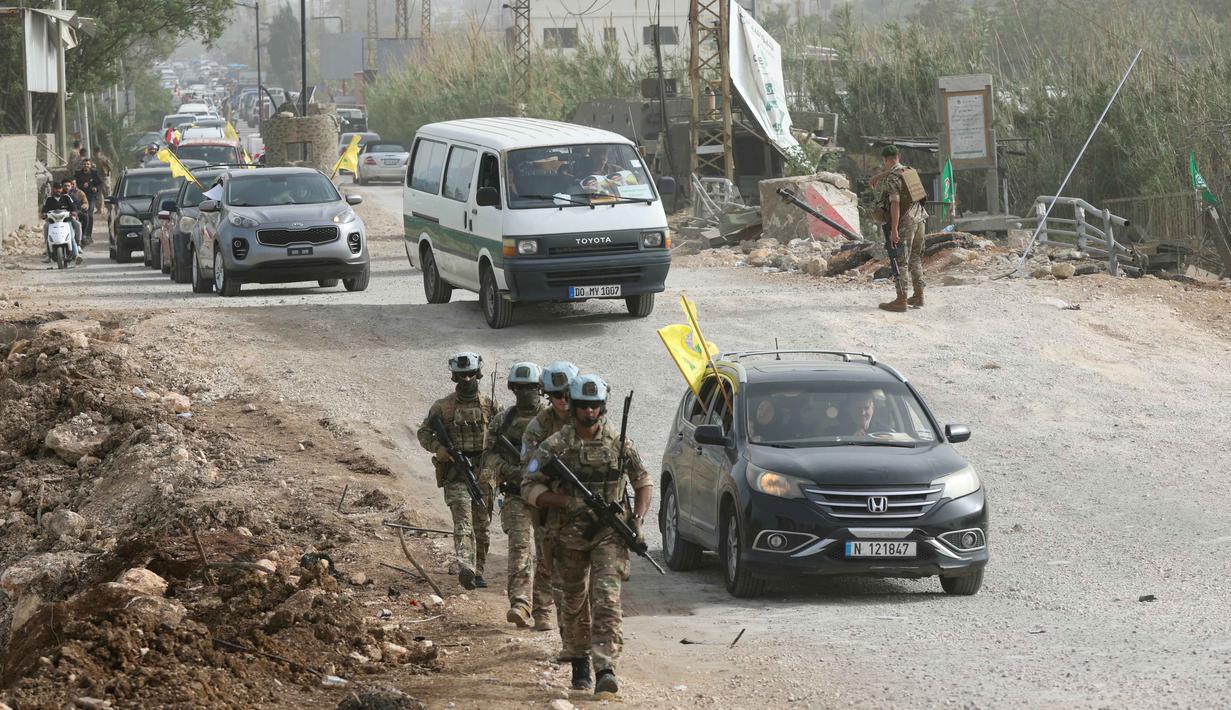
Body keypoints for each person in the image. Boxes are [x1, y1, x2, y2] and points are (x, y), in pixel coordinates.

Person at [523, 375, 653, 695]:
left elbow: (643, 482)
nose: (590, 412)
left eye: (595, 406)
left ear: (602, 407)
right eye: (584, 406)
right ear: (574, 407)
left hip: (609, 533)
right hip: (567, 535)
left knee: (606, 598)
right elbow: (529, 487)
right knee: (573, 601)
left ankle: (605, 665)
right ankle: (580, 661)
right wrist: (567, 501)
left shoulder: (619, 444)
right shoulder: (554, 446)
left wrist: (636, 518)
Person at [416, 353, 495, 590]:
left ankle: (478, 570)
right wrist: (440, 450)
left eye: (471, 374)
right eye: (462, 376)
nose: (467, 379)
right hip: (455, 473)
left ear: (479, 375)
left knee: (482, 526)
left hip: (483, 473)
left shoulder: (490, 406)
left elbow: (502, 436)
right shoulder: (443, 407)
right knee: (463, 523)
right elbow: (424, 433)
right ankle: (466, 567)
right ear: (455, 377)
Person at [479, 362, 546, 628]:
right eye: (519, 388)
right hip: (516, 493)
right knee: (519, 547)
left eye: (530, 387)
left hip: (547, 496)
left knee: (547, 552)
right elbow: (489, 454)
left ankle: (542, 607)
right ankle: (520, 602)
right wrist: (508, 469)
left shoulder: (551, 421)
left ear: (540, 388)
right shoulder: (502, 421)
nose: (525, 392)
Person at [521, 360, 581, 634]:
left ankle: (576, 613)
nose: (562, 401)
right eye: (556, 396)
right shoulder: (538, 426)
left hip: (581, 500)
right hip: (548, 500)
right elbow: (529, 467)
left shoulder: (588, 418)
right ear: (547, 395)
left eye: (567, 394)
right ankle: (542, 610)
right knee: (547, 556)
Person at [869, 145, 928, 312]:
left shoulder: (892, 178)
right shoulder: (909, 171)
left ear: (886, 160)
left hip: (906, 222)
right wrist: (879, 176)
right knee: (915, 258)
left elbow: (895, 203)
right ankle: (918, 295)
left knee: (901, 260)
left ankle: (901, 300)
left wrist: (894, 230)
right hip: (920, 217)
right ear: (898, 156)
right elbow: (895, 172)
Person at [39, 180, 81, 262]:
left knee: (71, 236)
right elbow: (44, 209)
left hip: (66, 221)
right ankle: (48, 256)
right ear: (53, 189)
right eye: (55, 188)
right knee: (47, 231)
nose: (57, 190)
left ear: (61, 189)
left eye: (59, 188)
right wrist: (43, 214)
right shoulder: (49, 199)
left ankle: (76, 255)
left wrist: (74, 212)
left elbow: (73, 207)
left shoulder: (66, 197)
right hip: (52, 221)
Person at [74, 159, 104, 231]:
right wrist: (82, 185)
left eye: (88, 164)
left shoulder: (94, 173)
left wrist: (96, 188)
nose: (86, 165)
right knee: (81, 214)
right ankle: (82, 232)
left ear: (90, 165)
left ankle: (88, 234)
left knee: (90, 214)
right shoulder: (78, 174)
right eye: (84, 164)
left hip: (91, 197)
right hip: (81, 197)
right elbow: (75, 184)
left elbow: (100, 183)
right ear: (82, 165)